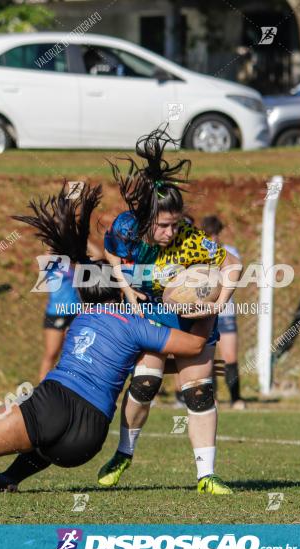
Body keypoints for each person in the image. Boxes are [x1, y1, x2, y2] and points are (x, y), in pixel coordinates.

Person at [0, 183, 213, 495]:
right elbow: (193, 348)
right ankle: (7, 479)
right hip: (88, 438)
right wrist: (207, 309)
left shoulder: (77, 323)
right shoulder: (138, 327)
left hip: (56, 402)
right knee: (44, 441)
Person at [95, 129, 242, 494]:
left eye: (175, 223)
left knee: (199, 393)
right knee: (145, 383)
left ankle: (206, 476)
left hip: (195, 324)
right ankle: (124, 453)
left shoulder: (191, 239)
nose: (170, 231)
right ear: (147, 219)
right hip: (155, 321)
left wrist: (218, 302)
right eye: (163, 225)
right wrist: (126, 286)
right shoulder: (128, 230)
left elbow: (233, 262)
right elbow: (109, 250)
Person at [200, 215, 245, 410]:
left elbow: (232, 273)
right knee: (207, 355)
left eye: (216, 234)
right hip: (205, 311)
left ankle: (236, 398)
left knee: (230, 357)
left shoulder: (230, 252)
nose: (214, 238)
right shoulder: (196, 252)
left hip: (225, 311)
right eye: (210, 234)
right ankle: (213, 398)